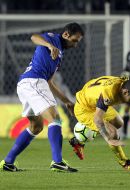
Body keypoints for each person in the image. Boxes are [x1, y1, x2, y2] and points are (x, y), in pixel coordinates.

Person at [0, 23, 84, 172]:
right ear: (66, 35)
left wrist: (66, 101)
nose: (75, 45)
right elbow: (34, 37)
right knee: (55, 118)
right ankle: (57, 161)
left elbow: (49, 82)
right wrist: (50, 46)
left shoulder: (59, 56)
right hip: (34, 82)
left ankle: (8, 162)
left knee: (36, 126)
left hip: (27, 84)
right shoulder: (53, 39)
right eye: (75, 40)